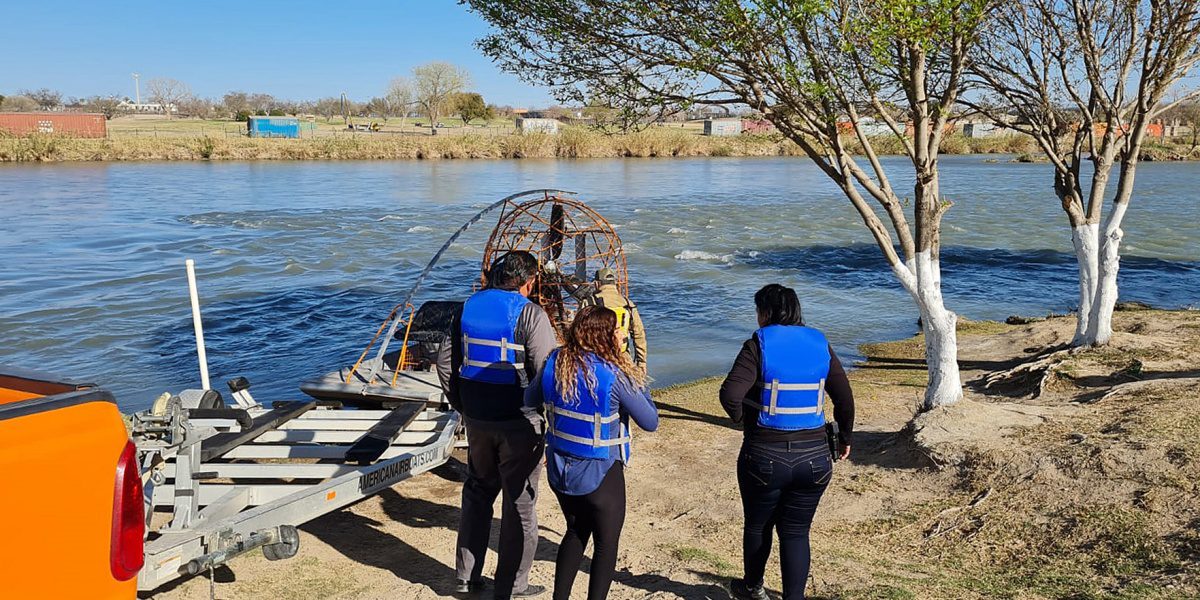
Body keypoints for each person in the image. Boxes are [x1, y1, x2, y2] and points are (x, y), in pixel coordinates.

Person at [718, 284, 854, 600]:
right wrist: (845, 437)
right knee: (795, 532)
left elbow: (729, 395)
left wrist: (744, 419)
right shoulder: (820, 344)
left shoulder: (758, 345)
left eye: (757, 311)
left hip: (764, 456)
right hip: (815, 459)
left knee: (758, 526)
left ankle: (753, 588)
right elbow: (845, 400)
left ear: (766, 312)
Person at [437, 250, 558, 599]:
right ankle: (514, 585)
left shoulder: (466, 307)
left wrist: (461, 403)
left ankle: (466, 576)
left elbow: (445, 363)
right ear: (528, 281)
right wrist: (548, 419)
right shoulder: (531, 314)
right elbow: (546, 371)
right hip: (519, 421)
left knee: (477, 491)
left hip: (476, 417)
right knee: (520, 502)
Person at [524, 305, 658, 600]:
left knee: (575, 532)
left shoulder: (554, 362)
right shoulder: (614, 373)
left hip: (560, 470)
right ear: (606, 336)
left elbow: (528, 397)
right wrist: (629, 366)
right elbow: (650, 421)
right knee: (606, 544)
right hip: (601, 473)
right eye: (616, 332)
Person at [581, 268, 648, 374]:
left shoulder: (589, 303)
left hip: (597, 359)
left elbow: (579, 333)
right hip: (623, 357)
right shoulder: (628, 304)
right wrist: (641, 362)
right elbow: (639, 334)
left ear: (597, 284)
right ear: (615, 283)